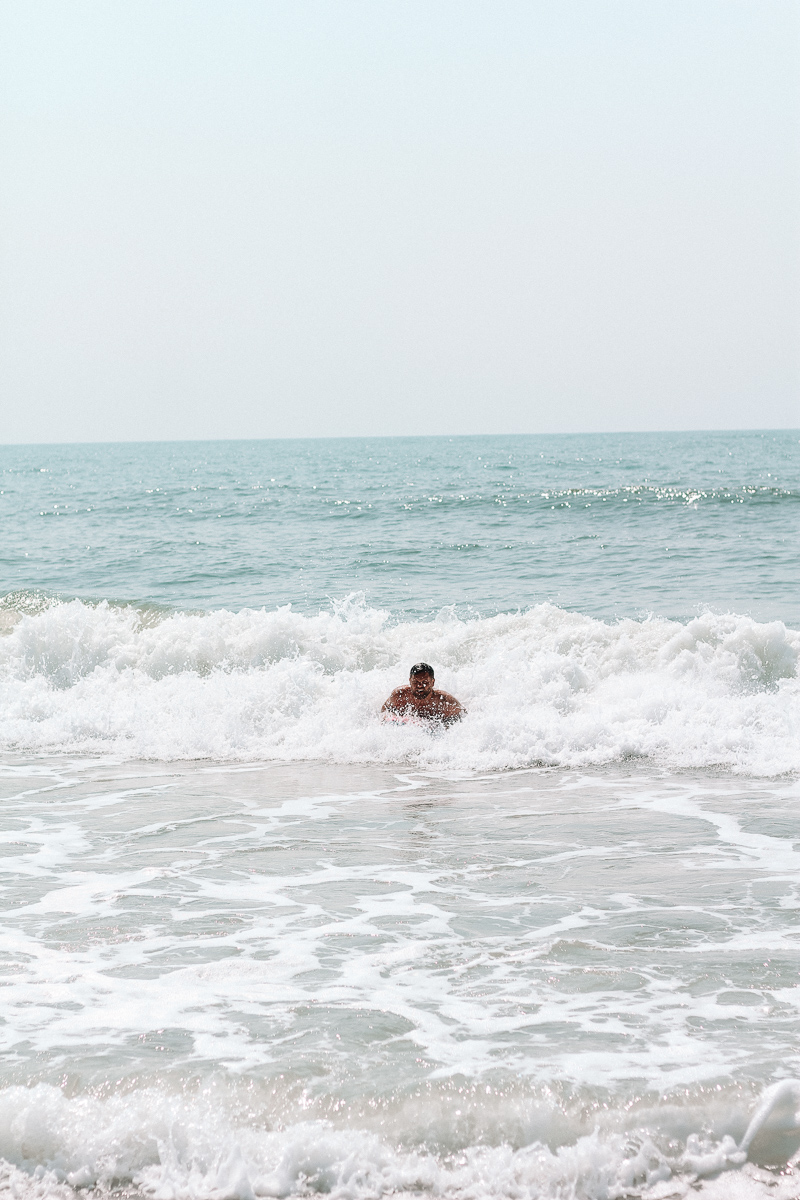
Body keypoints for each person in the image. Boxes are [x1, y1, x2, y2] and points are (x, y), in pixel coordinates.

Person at [381, 663, 464, 726]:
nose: (419, 686)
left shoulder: (445, 702)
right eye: (415, 682)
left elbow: (463, 719)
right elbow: (385, 711)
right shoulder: (399, 695)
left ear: (432, 682)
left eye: (425, 682)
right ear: (410, 681)